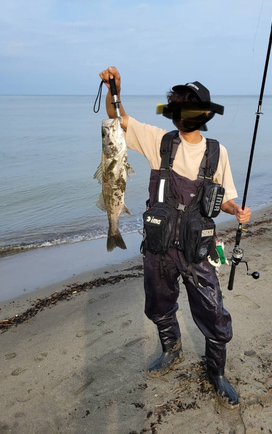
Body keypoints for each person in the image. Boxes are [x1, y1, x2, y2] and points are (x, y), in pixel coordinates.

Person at [99, 66, 251, 409]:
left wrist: (236, 209)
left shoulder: (217, 152)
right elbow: (115, 116)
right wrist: (114, 88)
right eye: (179, 108)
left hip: (198, 249)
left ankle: (216, 372)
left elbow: (224, 198)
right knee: (158, 301)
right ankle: (171, 349)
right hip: (159, 247)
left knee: (213, 310)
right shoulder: (158, 140)